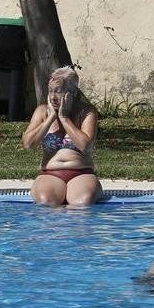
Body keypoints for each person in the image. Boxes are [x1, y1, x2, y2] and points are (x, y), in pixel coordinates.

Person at [21, 66, 103, 207]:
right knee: (46, 202)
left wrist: (64, 118)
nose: (52, 97)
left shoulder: (86, 112)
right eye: (50, 91)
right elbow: (28, 144)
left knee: (82, 203)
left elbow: (85, 146)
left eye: (58, 91)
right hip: (50, 173)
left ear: (73, 92)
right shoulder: (42, 112)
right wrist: (51, 118)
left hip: (81, 172)